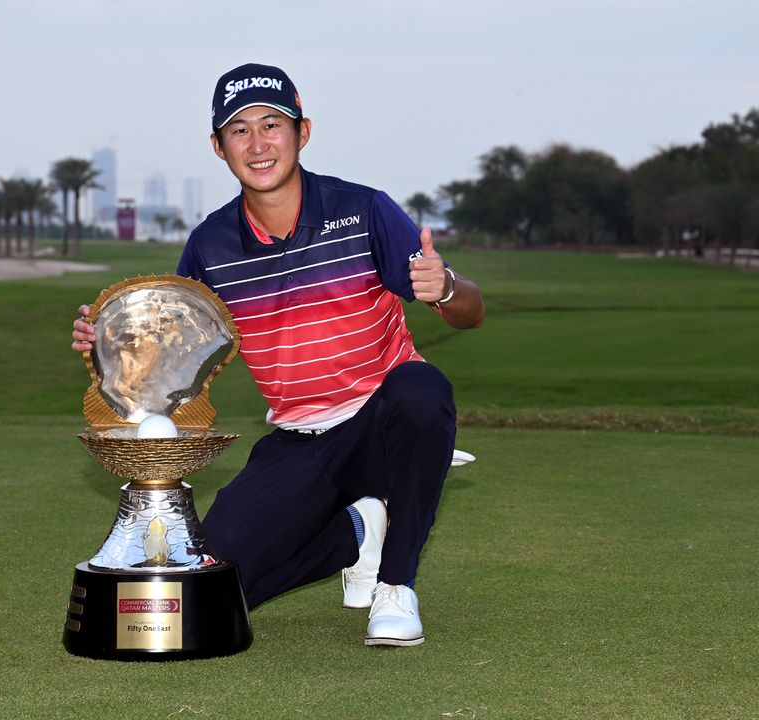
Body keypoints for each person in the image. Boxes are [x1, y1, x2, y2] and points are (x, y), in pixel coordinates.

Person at [72, 63, 484, 647]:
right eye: (239, 130)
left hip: (380, 424)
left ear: (303, 132)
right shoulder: (210, 244)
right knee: (214, 592)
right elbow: (168, 355)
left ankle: (395, 585)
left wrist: (444, 287)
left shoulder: (364, 209)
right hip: (299, 440)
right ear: (218, 147)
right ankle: (358, 532)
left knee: (423, 389)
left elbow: (471, 311)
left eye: (272, 125)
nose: (258, 144)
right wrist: (110, 343)